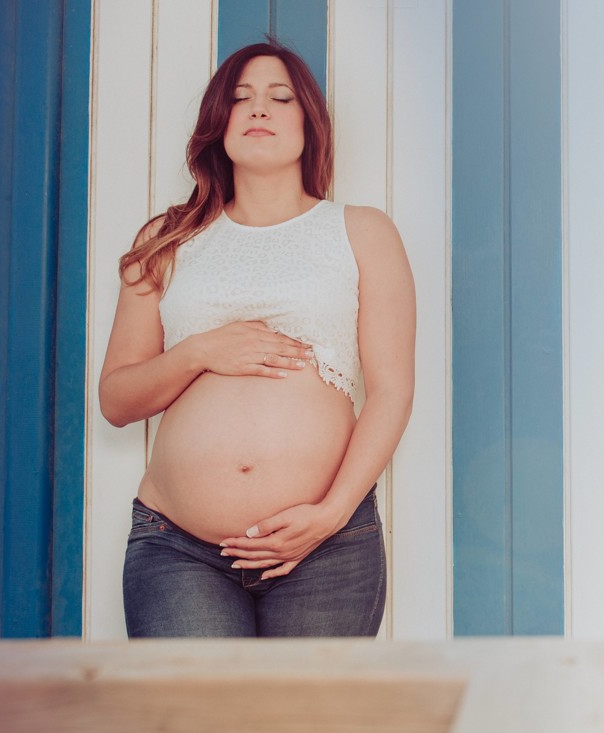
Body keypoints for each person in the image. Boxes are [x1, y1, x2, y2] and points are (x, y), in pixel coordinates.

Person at [98, 40, 416, 637]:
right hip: (179, 549)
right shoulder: (168, 240)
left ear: (309, 122)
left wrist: (330, 514)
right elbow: (116, 400)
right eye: (240, 98)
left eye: (280, 97)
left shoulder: (362, 231)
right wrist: (198, 351)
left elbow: (392, 392)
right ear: (218, 124)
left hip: (327, 547)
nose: (259, 110)